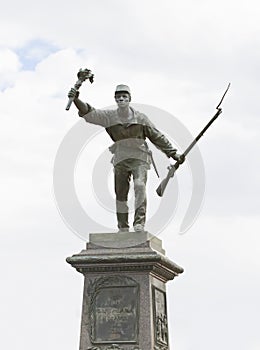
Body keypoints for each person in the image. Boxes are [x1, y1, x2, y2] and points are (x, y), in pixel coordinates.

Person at [68, 84, 184, 232]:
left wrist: (174, 153)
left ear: (129, 99)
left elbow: (157, 136)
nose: (121, 99)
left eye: (124, 97)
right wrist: (77, 99)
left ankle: (139, 223)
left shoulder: (141, 118)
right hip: (121, 158)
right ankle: (123, 227)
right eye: (118, 97)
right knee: (120, 192)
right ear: (115, 100)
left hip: (139, 157)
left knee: (139, 186)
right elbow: (91, 114)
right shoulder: (109, 117)